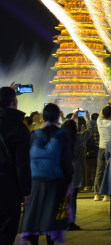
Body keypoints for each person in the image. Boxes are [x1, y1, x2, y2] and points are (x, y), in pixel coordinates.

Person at [19, 103, 73, 245]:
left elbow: (25, 160)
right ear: (57, 117)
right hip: (55, 182)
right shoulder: (62, 135)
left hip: (34, 182)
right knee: (51, 218)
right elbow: (67, 163)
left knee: (34, 217)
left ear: (43, 117)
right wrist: (68, 184)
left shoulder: (34, 135)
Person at [0, 86, 32, 245]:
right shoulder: (19, 128)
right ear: (15, 101)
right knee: (6, 233)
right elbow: (22, 164)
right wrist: (26, 192)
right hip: (9, 190)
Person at [60, 118, 94, 230]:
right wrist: (87, 121)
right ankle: (70, 222)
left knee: (62, 199)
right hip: (74, 174)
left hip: (62, 174)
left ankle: (61, 221)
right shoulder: (78, 138)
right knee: (72, 199)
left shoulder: (60, 140)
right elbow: (90, 131)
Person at [93, 103, 111, 201]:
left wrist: (109, 103)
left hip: (101, 148)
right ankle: (107, 194)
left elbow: (100, 114)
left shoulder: (99, 121)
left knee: (99, 171)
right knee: (109, 172)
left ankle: (97, 194)